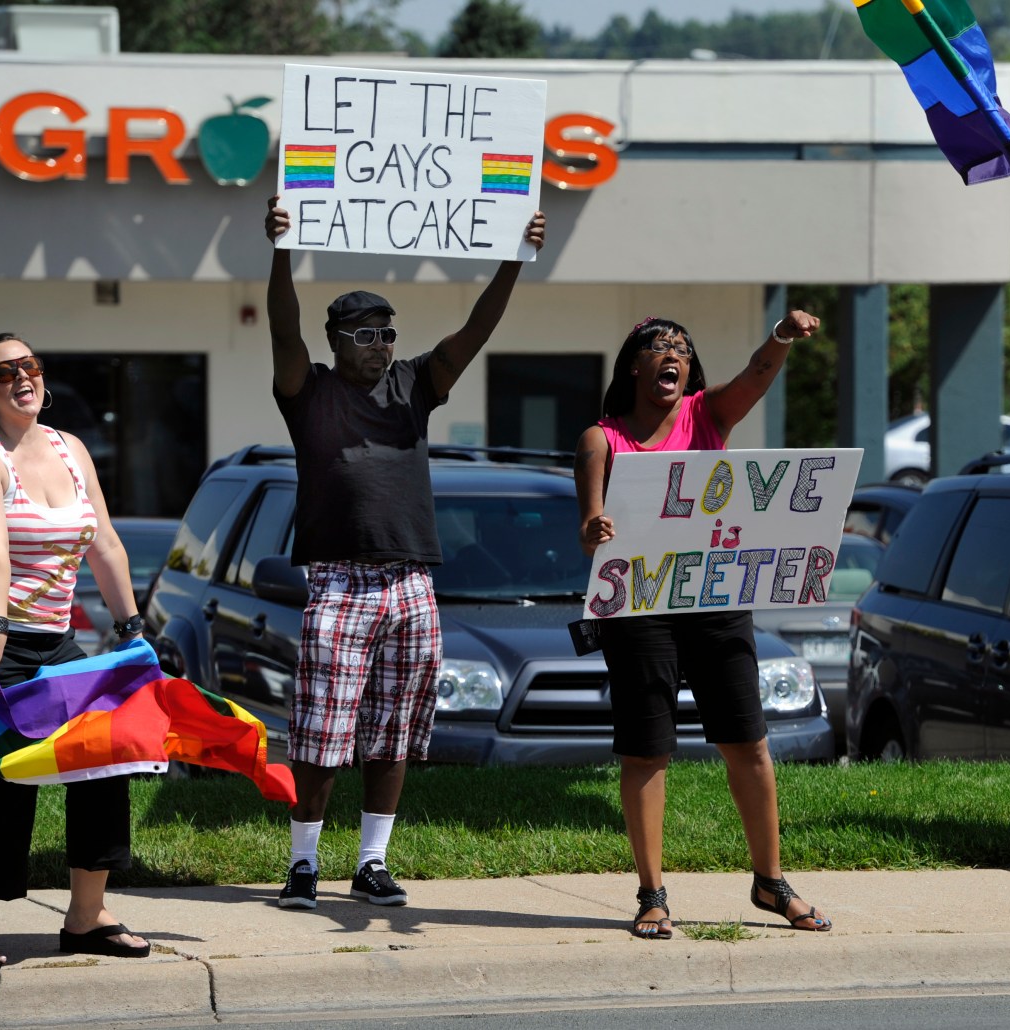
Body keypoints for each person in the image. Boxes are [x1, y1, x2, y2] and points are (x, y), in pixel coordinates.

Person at [263, 196, 546, 910]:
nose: (381, 344)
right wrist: (281, 250)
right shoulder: (310, 391)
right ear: (336, 341)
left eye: (388, 333)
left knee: (393, 730)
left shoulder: (415, 384)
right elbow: (282, 329)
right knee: (322, 730)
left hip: (412, 581)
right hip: (339, 579)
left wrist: (514, 257)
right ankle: (303, 865)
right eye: (365, 334)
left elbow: (476, 330)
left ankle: (371, 863)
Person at [574, 313, 832, 938]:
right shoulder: (602, 439)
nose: (672, 354)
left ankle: (770, 883)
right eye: (659, 346)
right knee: (647, 750)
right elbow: (589, 528)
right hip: (640, 608)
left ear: (689, 370)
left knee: (747, 741)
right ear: (633, 365)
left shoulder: (708, 415)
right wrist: (594, 528)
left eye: (682, 349)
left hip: (716, 599)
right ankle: (652, 894)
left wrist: (780, 336)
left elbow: (757, 375)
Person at [0, 333, 150, 970]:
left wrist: (132, 632)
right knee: (4, 772)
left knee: (104, 753)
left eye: (30, 366)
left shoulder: (71, 449)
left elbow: (105, 544)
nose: (22, 377)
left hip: (48, 639)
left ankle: (88, 916)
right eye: (4, 372)